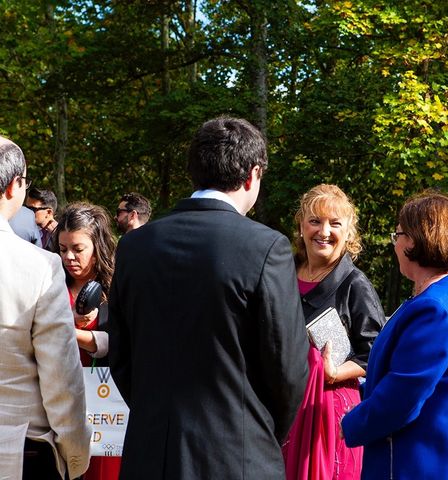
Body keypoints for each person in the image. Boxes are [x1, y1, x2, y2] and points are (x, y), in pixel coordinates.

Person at [109, 116, 309, 479]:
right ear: (253, 175)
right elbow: (287, 368)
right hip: (237, 456)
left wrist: (156, 414)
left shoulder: (135, 247)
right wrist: (259, 432)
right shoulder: (266, 248)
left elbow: (120, 353)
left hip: (150, 453)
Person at [341, 190, 448, 479]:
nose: (395, 245)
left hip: (427, 459)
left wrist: (348, 423)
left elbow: (402, 398)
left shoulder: (434, 308)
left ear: (415, 241)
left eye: (398, 236)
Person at [0, 137, 90, 479]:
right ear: (14, 186)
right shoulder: (39, 266)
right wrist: (76, 455)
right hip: (17, 450)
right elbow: (61, 378)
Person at [282, 184, 385, 480]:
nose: (324, 231)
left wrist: (335, 371)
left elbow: (374, 354)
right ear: (301, 226)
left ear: (348, 232)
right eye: (315, 221)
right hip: (282, 406)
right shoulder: (282, 271)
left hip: (328, 412)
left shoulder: (355, 284)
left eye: (334, 223)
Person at [53, 202, 120, 479]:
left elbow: (122, 342)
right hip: (60, 406)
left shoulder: (118, 287)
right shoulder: (51, 285)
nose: (69, 257)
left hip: (106, 410)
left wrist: (66, 331)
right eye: (62, 249)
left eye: (78, 249)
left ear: (98, 247)